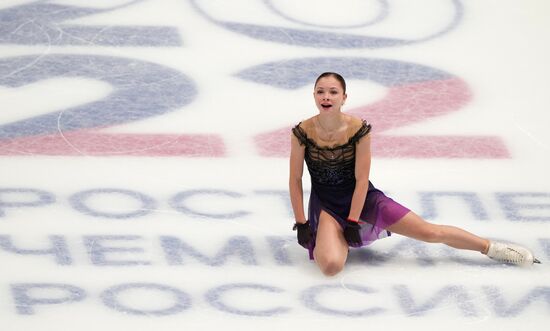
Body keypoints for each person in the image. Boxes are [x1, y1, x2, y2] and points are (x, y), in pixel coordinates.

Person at [289, 72, 540, 276]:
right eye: (321, 91)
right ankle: (336, 235)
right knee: (331, 267)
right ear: (314, 95)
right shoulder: (302, 131)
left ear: (344, 97)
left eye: (333, 92)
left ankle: (492, 247)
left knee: (430, 232)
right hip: (328, 207)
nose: (326, 96)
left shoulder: (359, 129)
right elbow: (296, 179)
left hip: (363, 199)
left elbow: (362, 179)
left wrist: (354, 220)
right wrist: (302, 222)